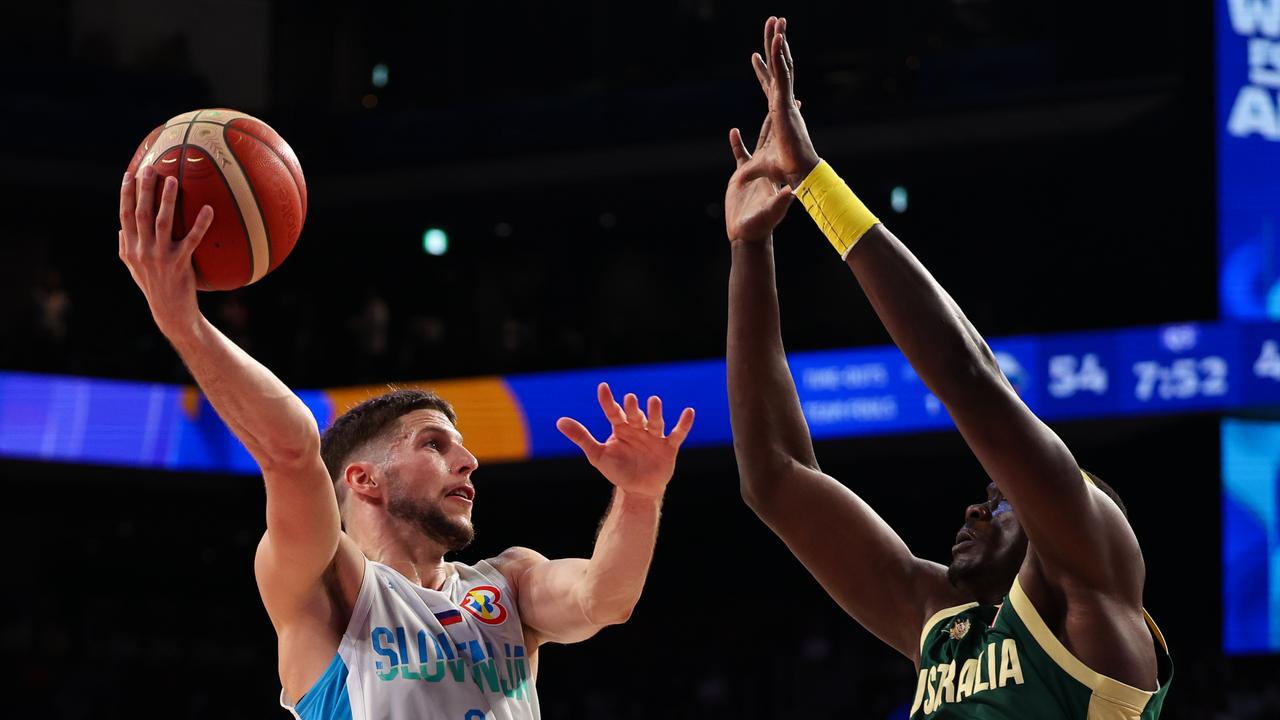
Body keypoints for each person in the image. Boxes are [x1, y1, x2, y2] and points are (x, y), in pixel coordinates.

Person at [117, 165, 695, 719]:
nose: (468, 462)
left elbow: (605, 598)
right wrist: (183, 322)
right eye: (434, 445)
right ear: (364, 478)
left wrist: (640, 496)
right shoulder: (328, 583)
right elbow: (292, 449)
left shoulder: (509, 584)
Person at [722, 17, 1171, 718]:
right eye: (986, 496)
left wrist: (814, 181)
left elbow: (967, 375)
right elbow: (775, 478)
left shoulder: (1093, 594)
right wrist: (751, 251)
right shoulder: (940, 619)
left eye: (999, 502)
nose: (974, 506)